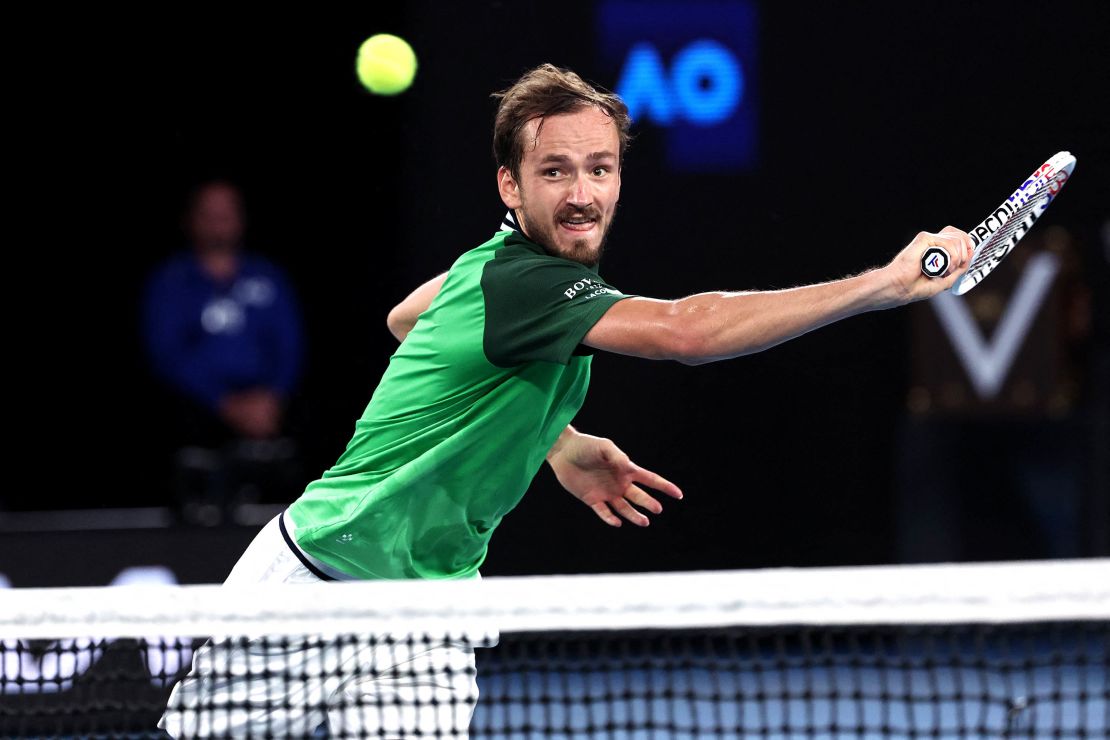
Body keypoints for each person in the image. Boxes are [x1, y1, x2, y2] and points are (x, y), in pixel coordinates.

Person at [160, 64, 973, 738]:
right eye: (555, 171)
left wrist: (557, 437)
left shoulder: (494, 266)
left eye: (600, 168)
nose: (582, 192)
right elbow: (690, 331)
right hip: (314, 582)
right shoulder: (526, 282)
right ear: (510, 184)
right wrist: (881, 285)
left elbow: (406, 315)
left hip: (429, 608)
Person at [143, 180, 305, 523]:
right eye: (209, 215)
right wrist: (223, 403)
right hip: (200, 413)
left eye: (226, 215)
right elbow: (167, 355)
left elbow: (289, 346)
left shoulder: (267, 277)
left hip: (265, 411)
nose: (218, 223)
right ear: (191, 220)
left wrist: (272, 397)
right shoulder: (172, 281)